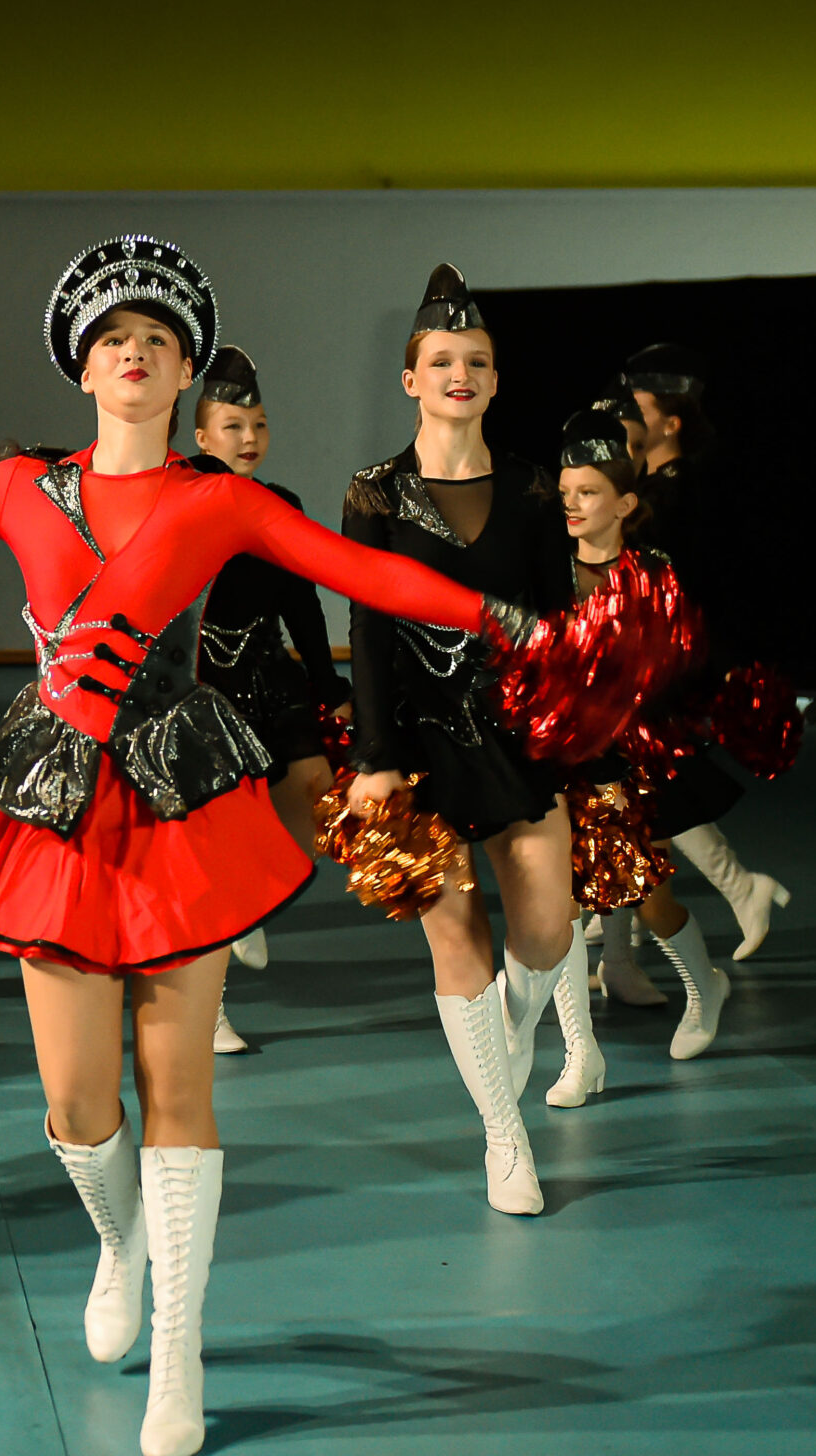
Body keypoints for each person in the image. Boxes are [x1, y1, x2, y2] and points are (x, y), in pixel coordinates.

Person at [0, 236, 513, 1456]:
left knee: (178, 1089)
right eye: (112, 341)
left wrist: (509, 617)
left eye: (156, 340)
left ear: (185, 370)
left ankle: (181, 1354)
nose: (133, 354)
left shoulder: (221, 500)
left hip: (180, 798)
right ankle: (117, 1239)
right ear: (82, 370)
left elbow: (368, 573)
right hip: (52, 802)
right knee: (76, 1101)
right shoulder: (16, 489)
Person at [339, 264, 577, 1217]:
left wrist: (582, 731)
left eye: (476, 360)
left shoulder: (531, 487)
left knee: (548, 927)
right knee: (455, 930)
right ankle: (503, 1135)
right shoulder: (375, 493)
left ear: (495, 378)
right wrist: (374, 757)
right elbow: (366, 627)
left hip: (519, 736)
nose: (459, 374)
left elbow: (558, 620)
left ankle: (504, 1038)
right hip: (417, 740)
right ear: (411, 379)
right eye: (441, 360)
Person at [550, 408, 728, 1085]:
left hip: (633, 761)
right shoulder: (550, 572)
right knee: (563, 902)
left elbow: (670, 667)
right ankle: (579, 1051)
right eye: (566, 493)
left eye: (588, 492)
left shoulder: (652, 571)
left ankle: (705, 988)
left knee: (653, 901)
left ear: (625, 503)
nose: (573, 504)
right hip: (566, 759)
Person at [186, 346, 351, 1053]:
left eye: (258, 425)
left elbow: (302, 603)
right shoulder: (177, 493)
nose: (249, 437)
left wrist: (328, 685)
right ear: (202, 436)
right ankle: (211, 1012)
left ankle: (249, 897)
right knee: (213, 844)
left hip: (268, 677)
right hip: (200, 690)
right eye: (233, 426)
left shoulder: (280, 504)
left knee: (316, 803)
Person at [620, 341, 792, 959]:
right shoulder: (647, 486)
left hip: (663, 657)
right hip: (643, 652)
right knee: (645, 784)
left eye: (640, 408)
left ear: (671, 422)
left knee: (650, 781)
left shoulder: (677, 490)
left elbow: (683, 581)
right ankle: (629, 918)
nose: (629, 416)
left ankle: (630, 921)